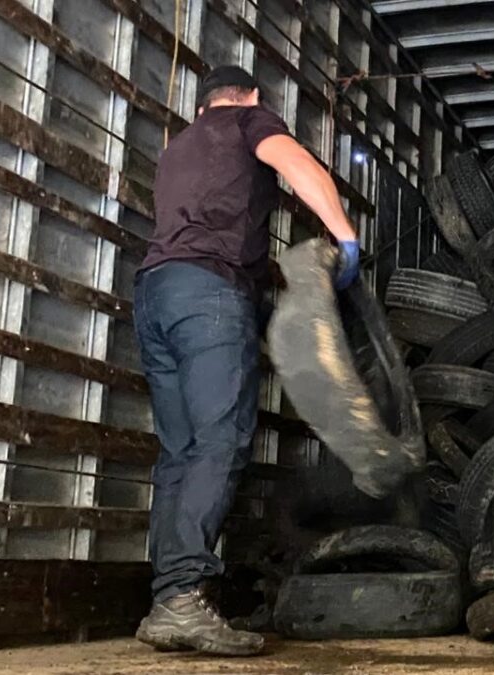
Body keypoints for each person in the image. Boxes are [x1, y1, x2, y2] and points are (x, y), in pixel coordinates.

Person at [133, 65, 359, 656]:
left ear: (202, 102)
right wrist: (344, 233)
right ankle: (182, 597)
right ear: (250, 97)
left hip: (155, 294)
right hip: (209, 294)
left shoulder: (177, 148)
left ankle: (165, 598)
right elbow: (299, 166)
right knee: (219, 442)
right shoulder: (248, 122)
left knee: (179, 453)